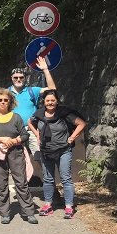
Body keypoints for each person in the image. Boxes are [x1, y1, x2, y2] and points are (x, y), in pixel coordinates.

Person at [28, 89, 87, 219]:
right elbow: (30, 122)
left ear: (57, 101)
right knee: (48, 179)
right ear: (44, 101)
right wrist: (37, 135)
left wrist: (72, 138)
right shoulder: (39, 113)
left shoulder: (64, 113)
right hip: (46, 150)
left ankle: (69, 207)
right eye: (48, 100)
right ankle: (48, 204)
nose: (50, 103)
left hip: (63, 150)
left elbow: (81, 124)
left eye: (52, 100)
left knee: (66, 178)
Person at [0, 89, 38, 225]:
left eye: (5, 100)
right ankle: (5, 213)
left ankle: (28, 212)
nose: (3, 102)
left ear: (10, 102)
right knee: (1, 185)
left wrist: (15, 141)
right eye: (0, 100)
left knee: (21, 183)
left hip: (16, 153)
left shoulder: (16, 117)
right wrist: (1, 139)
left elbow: (25, 135)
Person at [8, 56, 56, 163]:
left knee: (40, 158)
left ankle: (44, 179)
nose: (18, 80)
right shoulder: (5, 94)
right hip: (14, 133)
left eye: (21, 77)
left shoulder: (32, 91)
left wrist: (45, 69)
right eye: (16, 78)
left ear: (25, 78)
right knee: (18, 162)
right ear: (11, 78)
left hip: (32, 131)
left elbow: (52, 90)